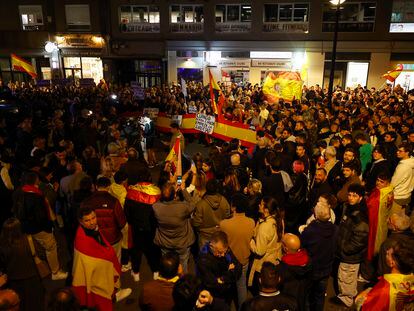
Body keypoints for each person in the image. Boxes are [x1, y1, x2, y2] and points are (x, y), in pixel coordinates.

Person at [72, 206, 131, 310]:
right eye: (87, 220)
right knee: (101, 296)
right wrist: (108, 256)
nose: (92, 222)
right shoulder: (82, 239)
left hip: (101, 269)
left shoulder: (92, 229)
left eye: (93, 218)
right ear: (80, 222)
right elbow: (88, 262)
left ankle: (112, 295)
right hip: (96, 275)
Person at [12, 171, 67, 281]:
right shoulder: (36, 196)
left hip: (25, 226)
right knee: (51, 246)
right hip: (38, 227)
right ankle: (55, 272)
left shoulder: (18, 192)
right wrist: (48, 227)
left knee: (34, 248)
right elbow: (41, 216)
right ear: (35, 180)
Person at [333, 183, 369, 308]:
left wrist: (344, 249)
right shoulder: (348, 208)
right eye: (349, 195)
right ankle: (350, 293)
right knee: (348, 276)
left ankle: (346, 299)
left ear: (360, 198)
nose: (351, 198)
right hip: (346, 252)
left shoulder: (360, 217)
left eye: (354, 195)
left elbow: (359, 241)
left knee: (346, 277)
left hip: (350, 255)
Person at [355, 236, 414, 310]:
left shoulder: (384, 289)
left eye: (388, 254)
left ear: (392, 263)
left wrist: (360, 301)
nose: (386, 251)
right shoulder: (411, 281)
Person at [124, 168, 161, 282]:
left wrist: (131, 222)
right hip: (151, 226)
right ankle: (155, 271)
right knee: (153, 249)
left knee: (136, 250)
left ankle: (136, 273)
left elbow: (127, 211)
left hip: (136, 226)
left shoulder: (130, 192)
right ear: (150, 178)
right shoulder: (156, 192)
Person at [0, 218, 45, 311]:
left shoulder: (3, 245)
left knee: (19, 305)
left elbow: (2, 264)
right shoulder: (29, 240)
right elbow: (41, 253)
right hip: (33, 279)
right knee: (35, 304)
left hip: (14, 281)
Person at [301, 200, 338, 311]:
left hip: (312, 268)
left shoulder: (311, 230)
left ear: (316, 215)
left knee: (307, 295)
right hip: (326, 268)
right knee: (320, 295)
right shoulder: (335, 229)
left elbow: (303, 245)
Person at [219, 193, 255, 308]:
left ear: (233, 207)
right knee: (241, 286)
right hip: (244, 260)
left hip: (228, 262)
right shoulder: (251, 222)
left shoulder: (224, 224)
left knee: (226, 286)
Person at [80, 177, 126, 261]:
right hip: (112, 239)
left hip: (95, 239)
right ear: (109, 187)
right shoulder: (114, 201)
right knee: (115, 261)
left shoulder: (86, 202)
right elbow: (121, 222)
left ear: (96, 186)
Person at [153, 182, 196, 273]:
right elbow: (192, 203)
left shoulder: (156, 207)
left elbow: (159, 201)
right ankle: (182, 283)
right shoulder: (182, 207)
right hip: (182, 242)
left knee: (167, 265)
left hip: (165, 241)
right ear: (174, 194)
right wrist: (183, 190)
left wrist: (169, 194)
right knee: (183, 263)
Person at [248, 197, 284, 293]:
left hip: (264, 265)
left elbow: (260, 251)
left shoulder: (264, 227)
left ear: (266, 210)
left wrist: (251, 242)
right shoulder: (279, 220)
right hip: (275, 261)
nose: (259, 205)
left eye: (261, 204)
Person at [197, 231, 242, 304]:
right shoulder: (203, 259)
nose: (223, 255)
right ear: (211, 246)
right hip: (214, 297)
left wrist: (222, 279)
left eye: (225, 251)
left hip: (227, 294)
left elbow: (238, 268)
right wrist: (228, 274)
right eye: (220, 252)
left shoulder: (223, 249)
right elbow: (212, 285)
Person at [275, 233, 312, 311]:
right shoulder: (308, 261)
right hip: (302, 301)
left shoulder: (282, 268)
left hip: (287, 304)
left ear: (286, 249)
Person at [192, 179, 230, 249]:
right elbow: (228, 216)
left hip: (205, 236)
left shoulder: (201, 204)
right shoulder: (224, 201)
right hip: (219, 235)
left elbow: (196, 223)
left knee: (205, 258)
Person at [377, 212, 414, 276]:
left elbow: (383, 268)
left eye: (390, 220)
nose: (387, 220)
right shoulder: (411, 238)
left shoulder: (388, 244)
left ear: (395, 227)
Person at [391, 142, 414, 214]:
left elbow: (393, 183)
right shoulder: (411, 161)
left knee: (394, 221)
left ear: (407, 152)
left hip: (398, 196)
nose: (397, 152)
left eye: (400, 151)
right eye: (397, 150)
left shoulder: (403, 167)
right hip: (407, 194)